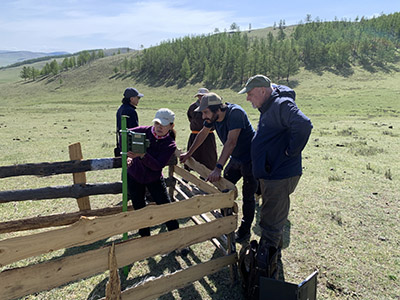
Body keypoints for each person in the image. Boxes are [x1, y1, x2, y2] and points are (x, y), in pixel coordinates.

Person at [238, 74, 313, 278]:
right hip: (273, 174)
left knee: (270, 223)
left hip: (279, 175)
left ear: (263, 91)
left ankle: (265, 271)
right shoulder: (270, 104)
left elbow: (304, 124)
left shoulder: (281, 103)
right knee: (274, 216)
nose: (248, 99)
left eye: (251, 94)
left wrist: (290, 151)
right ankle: (272, 257)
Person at [180, 92, 257, 242]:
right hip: (235, 158)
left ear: (217, 109)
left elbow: (231, 142)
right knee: (224, 190)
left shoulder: (236, 113)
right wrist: (189, 153)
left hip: (251, 159)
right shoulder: (212, 117)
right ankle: (224, 223)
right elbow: (203, 133)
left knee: (248, 196)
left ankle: (244, 231)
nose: (203, 117)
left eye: (205, 112)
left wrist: (218, 168)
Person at [126, 108, 180, 240]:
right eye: (157, 123)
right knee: (139, 208)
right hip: (135, 175)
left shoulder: (169, 145)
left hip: (154, 178)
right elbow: (124, 135)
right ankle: (145, 239)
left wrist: (143, 155)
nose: (159, 127)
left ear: (171, 126)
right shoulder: (141, 131)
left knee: (165, 208)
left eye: (163, 124)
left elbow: (157, 166)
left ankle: (177, 238)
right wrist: (127, 153)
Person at [186, 88, 217, 170]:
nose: (201, 98)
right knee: (192, 155)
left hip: (208, 135)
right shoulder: (192, 107)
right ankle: (187, 175)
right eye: (199, 96)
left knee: (208, 156)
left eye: (203, 96)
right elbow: (190, 117)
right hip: (195, 134)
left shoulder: (212, 108)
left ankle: (205, 176)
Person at [114, 87, 144, 157]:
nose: (139, 100)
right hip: (130, 146)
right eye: (138, 98)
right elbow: (135, 130)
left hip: (122, 143)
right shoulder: (131, 111)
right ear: (132, 99)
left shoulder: (120, 108)